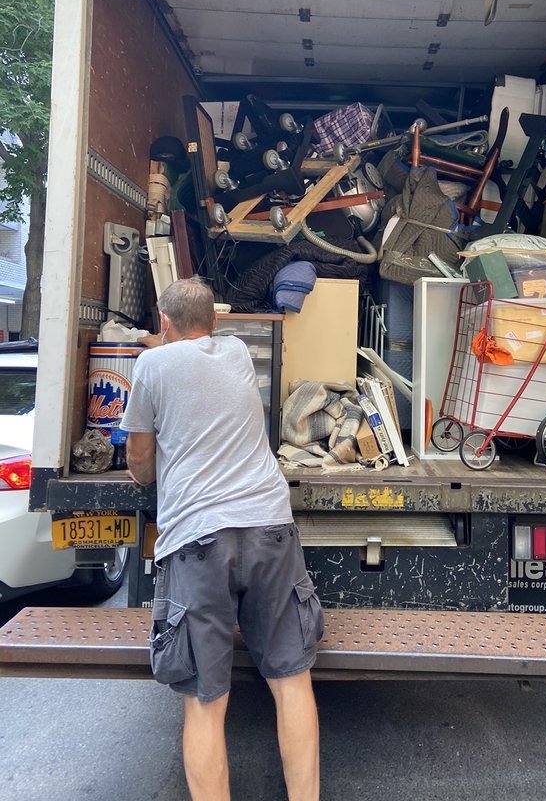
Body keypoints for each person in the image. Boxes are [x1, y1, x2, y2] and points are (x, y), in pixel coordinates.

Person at [121, 276, 323, 801]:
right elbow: (191, 344)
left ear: (163, 322)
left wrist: (148, 469)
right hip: (269, 526)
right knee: (291, 681)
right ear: (215, 323)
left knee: (206, 701)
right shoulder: (236, 352)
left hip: (197, 538)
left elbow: (140, 461)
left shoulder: (150, 367)